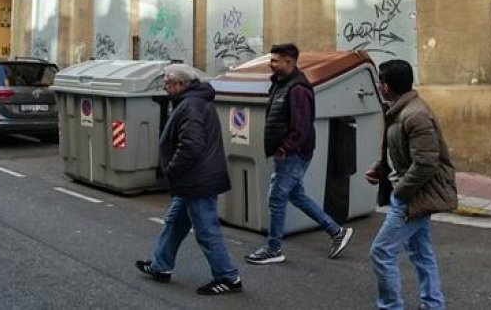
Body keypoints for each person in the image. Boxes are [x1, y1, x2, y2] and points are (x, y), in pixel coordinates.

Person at [136, 64, 242, 296]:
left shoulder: (191, 105)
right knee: (174, 223)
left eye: (167, 82)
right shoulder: (190, 102)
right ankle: (160, 266)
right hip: (193, 179)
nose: (164, 86)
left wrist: (172, 170)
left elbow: (191, 146)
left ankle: (228, 277)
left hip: (197, 180)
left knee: (206, 230)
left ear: (181, 85)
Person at [245, 43, 353, 265]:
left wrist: (285, 148)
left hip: (293, 153)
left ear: (289, 62)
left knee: (276, 197)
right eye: (271, 59)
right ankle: (336, 231)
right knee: (295, 195)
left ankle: (273, 248)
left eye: (275, 60)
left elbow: (301, 126)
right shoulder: (280, 85)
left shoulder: (297, 89)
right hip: (286, 152)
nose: (270, 64)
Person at [366, 59, 457, 310]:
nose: (378, 85)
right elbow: (400, 150)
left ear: (386, 85)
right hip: (409, 192)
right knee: (421, 253)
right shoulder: (399, 109)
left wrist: (401, 191)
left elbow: (426, 163)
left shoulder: (415, 114)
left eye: (380, 81)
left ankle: (390, 306)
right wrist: (381, 168)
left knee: (381, 252)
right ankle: (433, 304)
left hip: (411, 196)